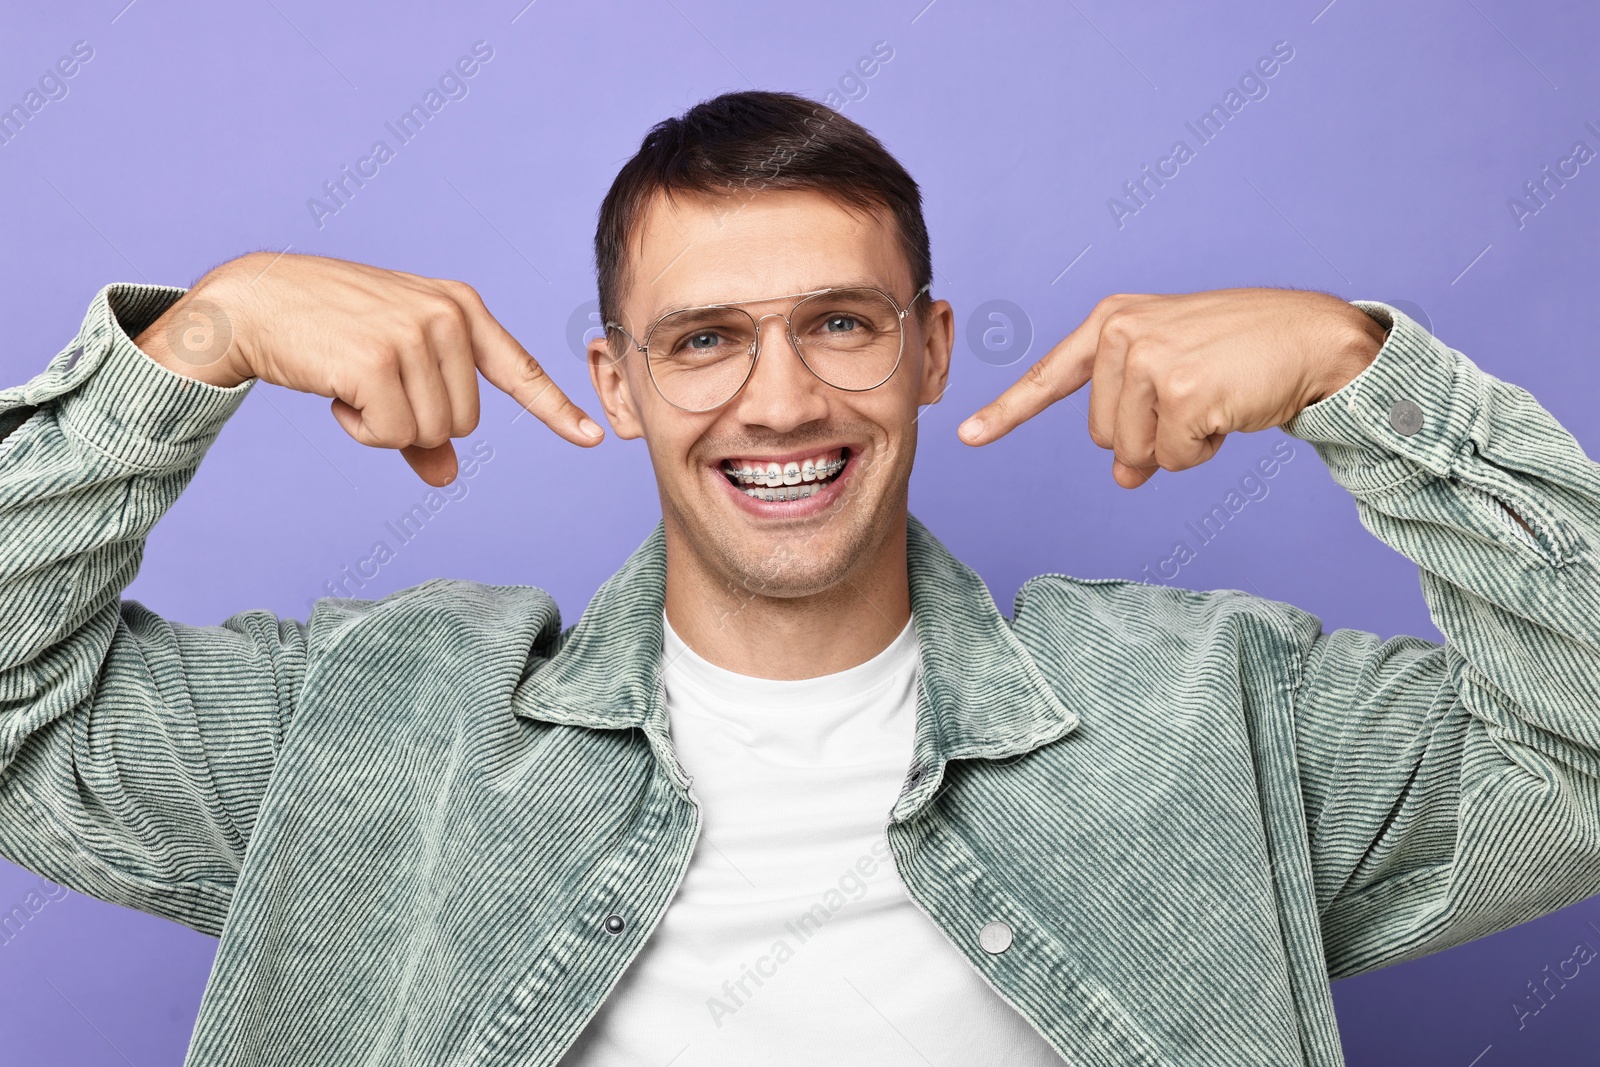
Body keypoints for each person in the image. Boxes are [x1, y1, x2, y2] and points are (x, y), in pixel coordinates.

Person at [0, 89, 1596, 1067]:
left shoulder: (1207, 716)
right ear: (617, 383)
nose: (779, 402)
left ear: (928, 351)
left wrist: (1358, 371)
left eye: (840, 322)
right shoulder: (372, 727)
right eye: (704, 341)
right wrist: (193, 344)